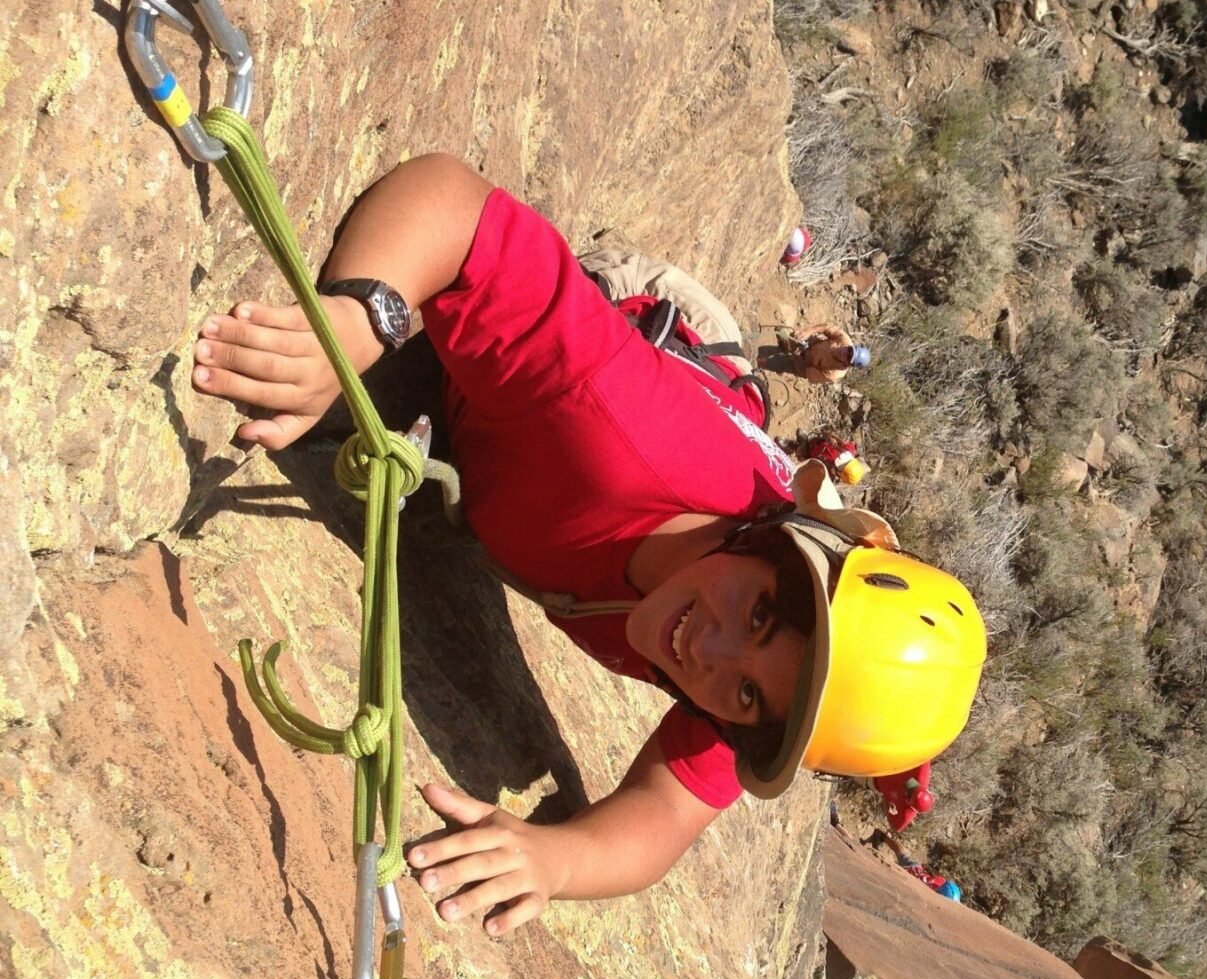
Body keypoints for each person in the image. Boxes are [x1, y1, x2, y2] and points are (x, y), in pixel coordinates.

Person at [189, 153, 987, 937]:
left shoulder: (756, 679)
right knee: (687, 375)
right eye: (757, 615)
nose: (709, 651)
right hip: (662, 320)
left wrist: (554, 859)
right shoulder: (608, 419)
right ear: (773, 539)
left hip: (676, 420)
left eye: (747, 694)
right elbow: (454, 205)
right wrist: (357, 323)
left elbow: (660, 822)